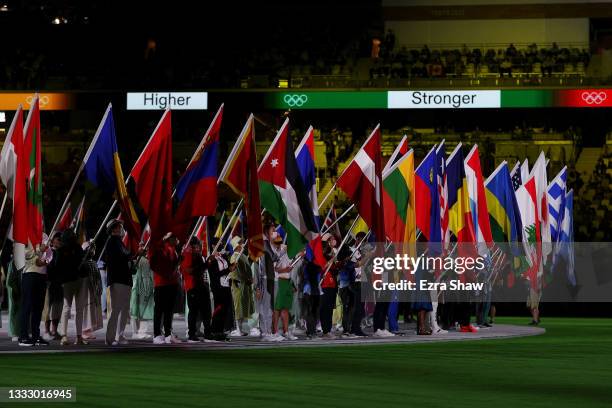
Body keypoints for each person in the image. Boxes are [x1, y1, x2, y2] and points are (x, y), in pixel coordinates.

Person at [104, 219, 138, 346]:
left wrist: (133, 258)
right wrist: (134, 254)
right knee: (116, 309)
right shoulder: (112, 242)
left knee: (124, 309)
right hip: (118, 280)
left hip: (124, 280)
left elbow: (126, 258)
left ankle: (120, 335)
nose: (121, 229)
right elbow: (122, 257)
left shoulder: (119, 242)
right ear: (113, 229)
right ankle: (110, 337)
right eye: (118, 227)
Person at [18, 238, 53, 346]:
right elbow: (20, 253)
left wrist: (46, 261)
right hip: (29, 272)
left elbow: (50, 252)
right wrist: (38, 250)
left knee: (38, 307)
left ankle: (35, 336)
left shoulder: (45, 235)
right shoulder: (25, 235)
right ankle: (23, 337)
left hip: (42, 274)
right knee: (27, 306)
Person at [57, 229, 87, 345]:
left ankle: (78, 336)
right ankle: (64, 335)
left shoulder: (78, 248)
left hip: (79, 279)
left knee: (78, 309)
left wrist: (87, 252)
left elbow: (82, 259)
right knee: (67, 308)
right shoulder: (62, 250)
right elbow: (59, 266)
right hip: (68, 281)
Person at [150, 232, 181, 344]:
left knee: (169, 310)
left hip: (172, 283)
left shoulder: (173, 249)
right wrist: (177, 262)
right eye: (174, 237)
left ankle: (168, 334)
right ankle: (157, 334)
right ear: (168, 239)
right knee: (159, 310)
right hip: (162, 284)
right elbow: (165, 266)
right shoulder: (161, 250)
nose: (177, 239)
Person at [180, 236, 212, 343]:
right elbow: (188, 270)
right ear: (193, 245)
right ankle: (191, 335)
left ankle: (208, 334)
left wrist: (206, 264)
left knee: (206, 311)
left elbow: (200, 268)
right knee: (193, 312)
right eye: (197, 245)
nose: (199, 247)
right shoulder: (187, 254)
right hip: (192, 286)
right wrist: (204, 266)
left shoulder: (197, 255)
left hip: (201, 285)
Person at [271, 234, 297, 340]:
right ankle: (275, 332)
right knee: (277, 308)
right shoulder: (273, 252)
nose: (279, 243)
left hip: (287, 281)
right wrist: (284, 270)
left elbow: (290, 267)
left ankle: (286, 331)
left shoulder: (285, 250)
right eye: (276, 241)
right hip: (278, 281)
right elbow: (273, 269)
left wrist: (292, 284)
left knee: (285, 308)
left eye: (279, 241)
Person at [228, 236, 254, 337]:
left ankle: (241, 328)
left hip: (245, 284)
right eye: (240, 243)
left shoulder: (242, 255)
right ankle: (238, 329)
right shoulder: (235, 256)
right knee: (238, 307)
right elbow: (236, 272)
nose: (243, 245)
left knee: (243, 307)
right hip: (238, 285)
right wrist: (247, 279)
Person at [257, 223, 278, 341]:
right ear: (266, 232)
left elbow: (275, 258)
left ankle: (268, 331)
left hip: (270, 278)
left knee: (270, 307)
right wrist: (258, 286)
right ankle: (264, 332)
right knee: (265, 307)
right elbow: (258, 266)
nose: (275, 232)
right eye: (273, 230)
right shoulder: (263, 244)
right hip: (264, 278)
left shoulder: (270, 245)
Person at [208, 245, 232, 341]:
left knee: (225, 309)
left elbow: (228, 268)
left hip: (226, 286)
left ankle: (221, 331)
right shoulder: (211, 259)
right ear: (214, 246)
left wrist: (231, 267)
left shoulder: (223, 257)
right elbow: (215, 274)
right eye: (219, 244)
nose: (221, 246)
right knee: (219, 309)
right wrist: (228, 270)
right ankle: (214, 330)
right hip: (218, 287)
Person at [42, 232, 63, 341]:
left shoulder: (62, 252)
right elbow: (48, 266)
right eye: (57, 239)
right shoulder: (48, 251)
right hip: (50, 283)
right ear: (53, 240)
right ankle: (46, 330)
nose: (59, 241)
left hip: (59, 284)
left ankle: (55, 330)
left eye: (61, 239)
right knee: (48, 307)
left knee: (57, 307)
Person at [81, 241, 103, 340]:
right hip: (86, 290)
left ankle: (90, 329)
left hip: (94, 290)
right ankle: (84, 330)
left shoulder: (93, 262)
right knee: (86, 309)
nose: (92, 251)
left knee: (92, 309)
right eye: (90, 249)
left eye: (93, 249)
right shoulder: (83, 263)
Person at [130, 253, 155, 340]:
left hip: (147, 286)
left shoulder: (149, 259)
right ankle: (135, 332)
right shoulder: (138, 259)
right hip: (138, 287)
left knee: (146, 310)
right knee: (136, 310)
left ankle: (142, 331)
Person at [319, 245, 338, 339]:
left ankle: (328, 330)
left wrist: (334, 258)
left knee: (330, 310)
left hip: (332, 286)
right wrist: (331, 260)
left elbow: (336, 268)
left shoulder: (330, 259)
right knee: (324, 309)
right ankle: (325, 330)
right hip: (324, 286)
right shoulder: (319, 258)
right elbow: (322, 267)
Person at [301, 258, 321, 339]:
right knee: (311, 312)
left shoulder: (312, 265)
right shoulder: (309, 265)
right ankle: (311, 332)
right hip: (310, 290)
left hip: (315, 290)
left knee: (314, 312)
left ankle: (312, 331)